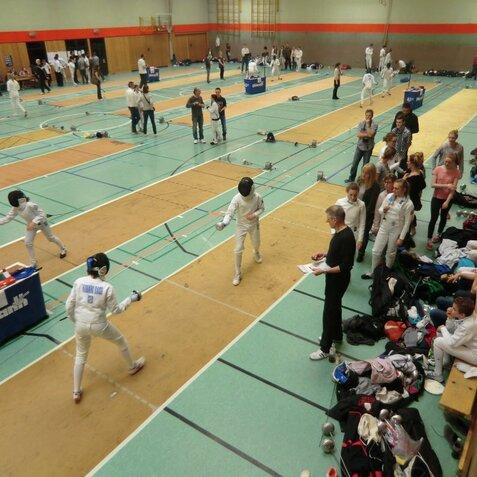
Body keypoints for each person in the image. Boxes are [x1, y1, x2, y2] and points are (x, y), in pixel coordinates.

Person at [66, 252, 145, 403]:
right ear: (104, 269)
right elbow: (116, 310)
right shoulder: (107, 288)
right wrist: (131, 299)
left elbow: (69, 306)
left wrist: (75, 321)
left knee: (80, 355)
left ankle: (76, 391)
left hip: (80, 325)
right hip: (100, 325)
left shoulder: (78, 282)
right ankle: (132, 366)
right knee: (121, 341)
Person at [309, 205, 356, 360]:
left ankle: (325, 347)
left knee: (328, 313)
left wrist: (324, 270)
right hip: (334, 280)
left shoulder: (346, 237)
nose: (327, 221)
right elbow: (338, 253)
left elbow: (345, 266)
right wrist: (324, 255)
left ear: (335, 220)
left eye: (328, 219)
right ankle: (336, 336)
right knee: (335, 308)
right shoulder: (341, 233)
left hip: (338, 281)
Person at [216, 177, 264, 286]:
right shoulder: (236, 199)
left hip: (254, 224)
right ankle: (237, 273)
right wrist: (224, 223)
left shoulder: (257, 197)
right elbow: (229, 213)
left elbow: (262, 208)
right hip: (241, 226)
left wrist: (254, 215)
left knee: (256, 244)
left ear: (252, 188)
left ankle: (256, 252)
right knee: (238, 249)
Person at [0, 190, 67, 267]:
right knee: (27, 243)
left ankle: (63, 248)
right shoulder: (15, 208)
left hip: (42, 223)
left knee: (50, 238)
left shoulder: (30, 205)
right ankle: (33, 262)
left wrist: (33, 222)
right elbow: (7, 218)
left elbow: (42, 215)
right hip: (31, 226)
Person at [364, 178, 414, 278]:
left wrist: (401, 238)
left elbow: (407, 223)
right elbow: (380, 210)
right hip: (384, 226)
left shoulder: (409, 204)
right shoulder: (389, 196)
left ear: (404, 189)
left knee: (390, 253)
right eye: (393, 188)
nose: (393, 190)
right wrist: (384, 210)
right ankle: (373, 272)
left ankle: (386, 274)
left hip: (396, 230)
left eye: (396, 188)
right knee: (376, 251)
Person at [426, 295, 477, 383]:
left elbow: (452, 343)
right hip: (469, 345)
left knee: (438, 341)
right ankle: (446, 361)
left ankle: (438, 375)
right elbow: (452, 330)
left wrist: (443, 328)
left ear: (462, 314)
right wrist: (450, 318)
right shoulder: (470, 314)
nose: (450, 309)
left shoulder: (467, 325)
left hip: (474, 355)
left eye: (454, 309)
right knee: (442, 333)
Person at [427, 154, 460, 250]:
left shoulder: (456, 172)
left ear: (454, 163)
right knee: (433, 218)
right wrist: (446, 185)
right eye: (445, 161)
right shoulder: (438, 169)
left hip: (447, 199)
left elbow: (453, 189)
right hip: (436, 198)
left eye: (449, 162)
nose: (446, 163)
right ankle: (429, 239)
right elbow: (432, 184)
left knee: (443, 217)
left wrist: (447, 201)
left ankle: (439, 234)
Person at [346, 109, 378, 183]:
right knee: (354, 164)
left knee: (365, 166)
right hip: (360, 147)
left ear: (372, 116)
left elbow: (371, 134)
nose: (368, 117)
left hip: (368, 148)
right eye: (366, 115)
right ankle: (351, 178)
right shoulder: (361, 123)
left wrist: (367, 126)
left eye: (369, 115)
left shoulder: (374, 124)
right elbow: (358, 135)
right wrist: (367, 134)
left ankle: (363, 180)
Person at [357, 164, 380, 262]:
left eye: (366, 173)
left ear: (371, 174)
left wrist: (363, 214)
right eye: (363, 172)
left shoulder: (375, 186)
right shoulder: (359, 180)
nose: (364, 174)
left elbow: (371, 204)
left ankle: (361, 252)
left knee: (364, 233)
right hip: (356, 210)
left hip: (367, 214)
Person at [335, 183, 366, 252]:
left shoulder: (361, 205)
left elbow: (362, 223)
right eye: (350, 195)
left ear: (358, 193)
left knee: (351, 256)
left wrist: (360, 239)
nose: (353, 197)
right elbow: (334, 219)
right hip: (339, 234)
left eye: (355, 195)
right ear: (347, 192)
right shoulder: (339, 202)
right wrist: (333, 233)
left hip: (353, 235)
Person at [403, 152, 426, 236]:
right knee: (411, 214)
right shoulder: (419, 172)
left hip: (410, 199)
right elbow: (422, 186)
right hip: (415, 197)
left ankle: (407, 233)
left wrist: (403, 179)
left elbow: (402, 188)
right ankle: (413, 227)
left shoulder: (412, 178)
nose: (407, 163)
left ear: (412, 164)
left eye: (408, 161)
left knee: (408, 217)